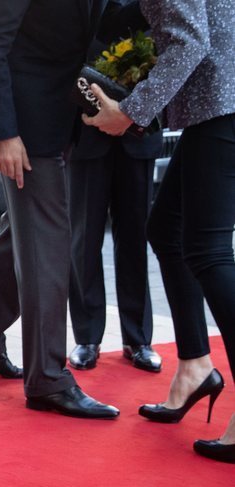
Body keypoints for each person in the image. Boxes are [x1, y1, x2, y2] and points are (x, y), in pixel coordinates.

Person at [84, 0, 235, 463]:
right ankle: (194, 365)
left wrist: (130, 112)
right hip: (217, 104)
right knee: (167, 231)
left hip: (223, 105)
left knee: (208, 250)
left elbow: (190, 39)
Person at [0, 0, 120, 419]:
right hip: (22, 129)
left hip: (61, 120)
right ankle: (47, 378)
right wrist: (3, 133)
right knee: (48, 245)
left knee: (23, 239)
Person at [67, 35, 162, 374]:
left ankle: (138, 339)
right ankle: (87, 338)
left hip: (138, 133)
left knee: (135, 239)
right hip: (86, 132)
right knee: (84, 240)